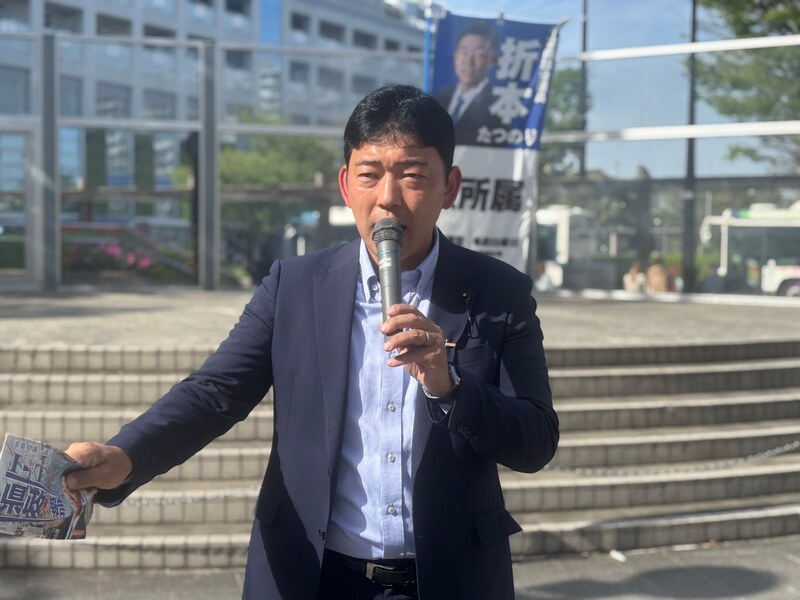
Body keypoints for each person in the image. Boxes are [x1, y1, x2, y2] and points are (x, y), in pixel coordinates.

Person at [64, 85, 558, 600]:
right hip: (312, 576)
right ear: (346, 185)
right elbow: (215, 392)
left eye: (412, 175)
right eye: (369, 174)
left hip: (451, 580)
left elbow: (536, 440)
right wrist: (125, 454)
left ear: (450, 187)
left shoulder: (499, 293)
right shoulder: (294, 285)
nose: (388, 198)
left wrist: (450, 385)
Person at [434, 22, 504, 147]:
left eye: (479, 53)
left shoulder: (498, 105)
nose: (469, 61)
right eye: (464, 52)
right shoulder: (440, 96)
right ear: (455, 56)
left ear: (492, 60)